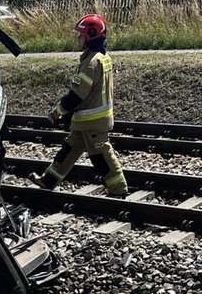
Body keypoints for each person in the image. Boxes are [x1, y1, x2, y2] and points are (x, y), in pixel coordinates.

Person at [29, 14, 128, 197]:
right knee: (69, 150)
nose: (78, 39)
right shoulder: (101, 57)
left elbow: (76, 95)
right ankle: (48, 181)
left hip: (93, 121)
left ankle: (118, 190)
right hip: (87, 121)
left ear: (90, 36)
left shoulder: (91, 63)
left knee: (101, 156)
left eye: (81, 35)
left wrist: (57, 112)